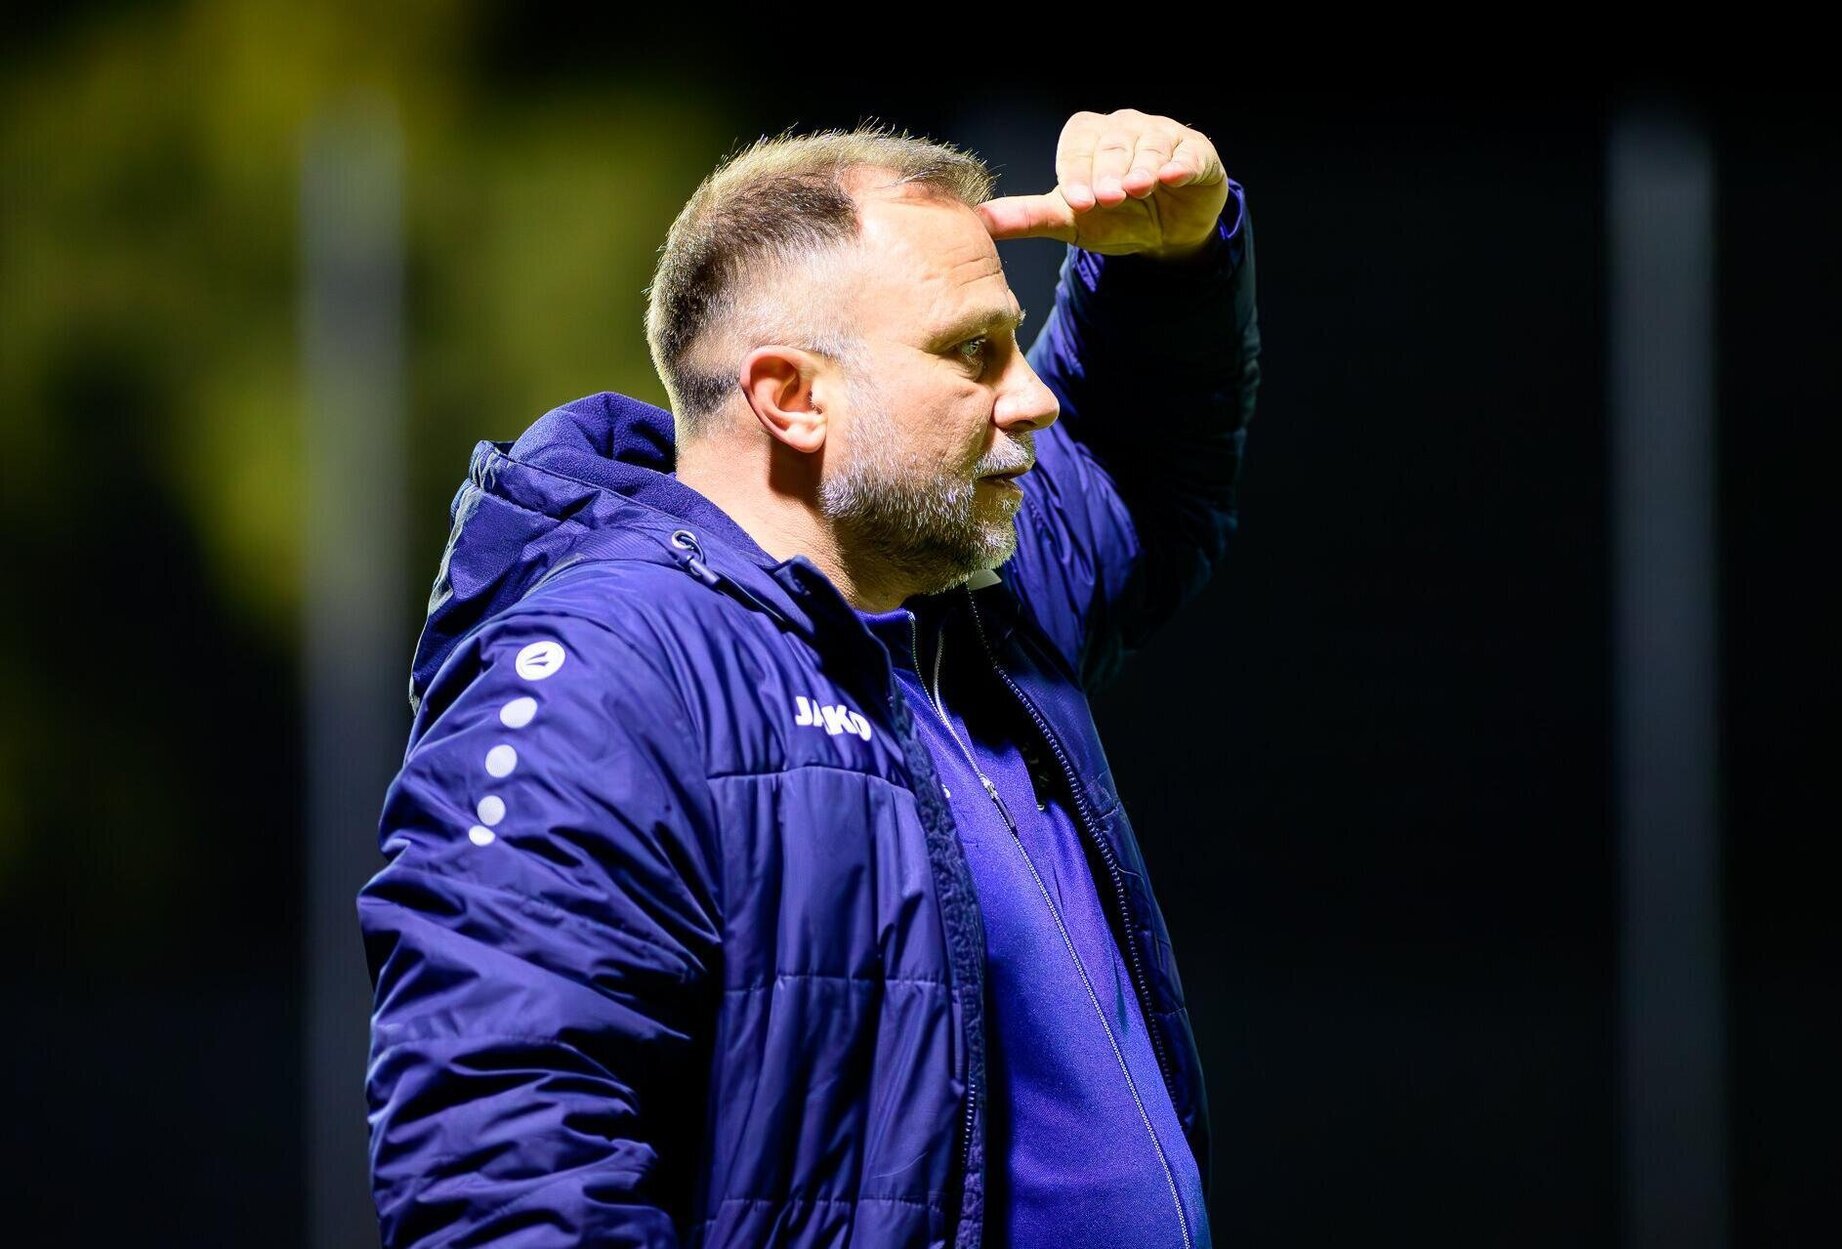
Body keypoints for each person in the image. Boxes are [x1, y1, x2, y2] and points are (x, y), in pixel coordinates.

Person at [358, 105, 1259, 1248]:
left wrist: (1170, 266)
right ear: (790, 397)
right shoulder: (610, 673)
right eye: (972, 351)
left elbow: (1134, 482)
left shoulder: (960, 597)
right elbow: (504, 1164)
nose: (1029, 394)